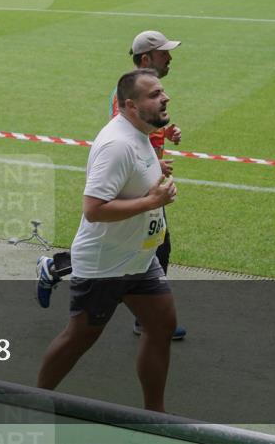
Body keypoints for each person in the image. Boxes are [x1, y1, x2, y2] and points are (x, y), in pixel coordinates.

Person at [36, 69, 178, 413]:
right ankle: (33, 401)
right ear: (130, 106)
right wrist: (152, 201)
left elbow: (131, 177)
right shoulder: (117, 145)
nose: (165, 98)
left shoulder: (140, 133)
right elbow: (94, 209)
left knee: (161, 325)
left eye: (162, 92)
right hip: (106, 265)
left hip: (138, 259)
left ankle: (155, 415)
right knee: (80, 338)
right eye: (154, 94)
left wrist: (154, 171)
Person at [36, 30, 187, 340]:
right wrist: (147, 169)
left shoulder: (148, 91)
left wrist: (166, 134)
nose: (170, 57)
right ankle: (57, 270)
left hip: (147, 178)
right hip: (134, 182)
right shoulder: (129, 94)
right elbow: (126, 136)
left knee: (145, 243)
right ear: (146, 58)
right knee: (147, 245)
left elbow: (145, 132)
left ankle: (147, 317)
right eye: (163, 53)